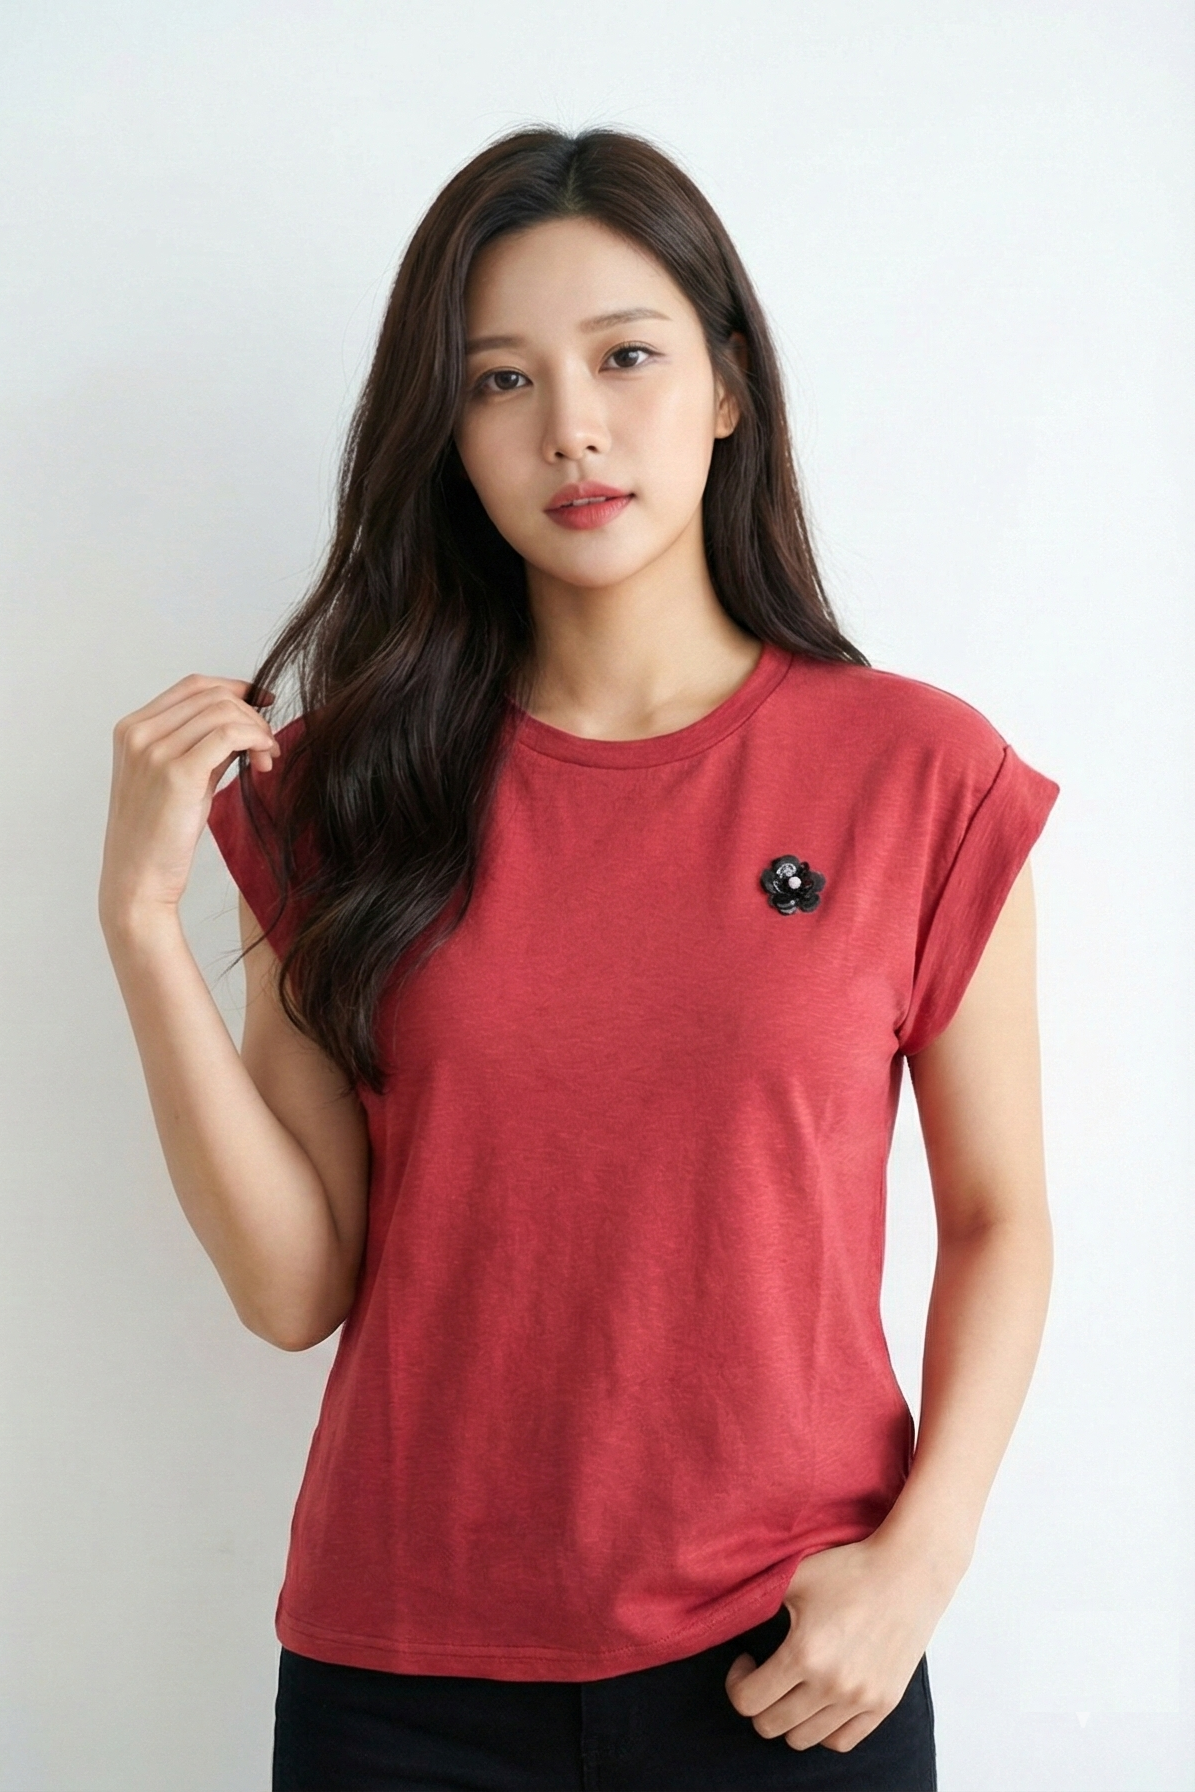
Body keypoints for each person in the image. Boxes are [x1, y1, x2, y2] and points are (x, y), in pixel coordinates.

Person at [99, 125, 1059, 1792]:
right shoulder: (340, 796)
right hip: (402, 1690)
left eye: (625, 356)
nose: (571, 428)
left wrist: (916, 1566)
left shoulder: (917, 773)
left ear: (727, 385)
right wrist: (138, 926)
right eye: (500, 381)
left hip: (792, 1669)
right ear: (446, 432)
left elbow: (998, 1218)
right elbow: (294, 1289)